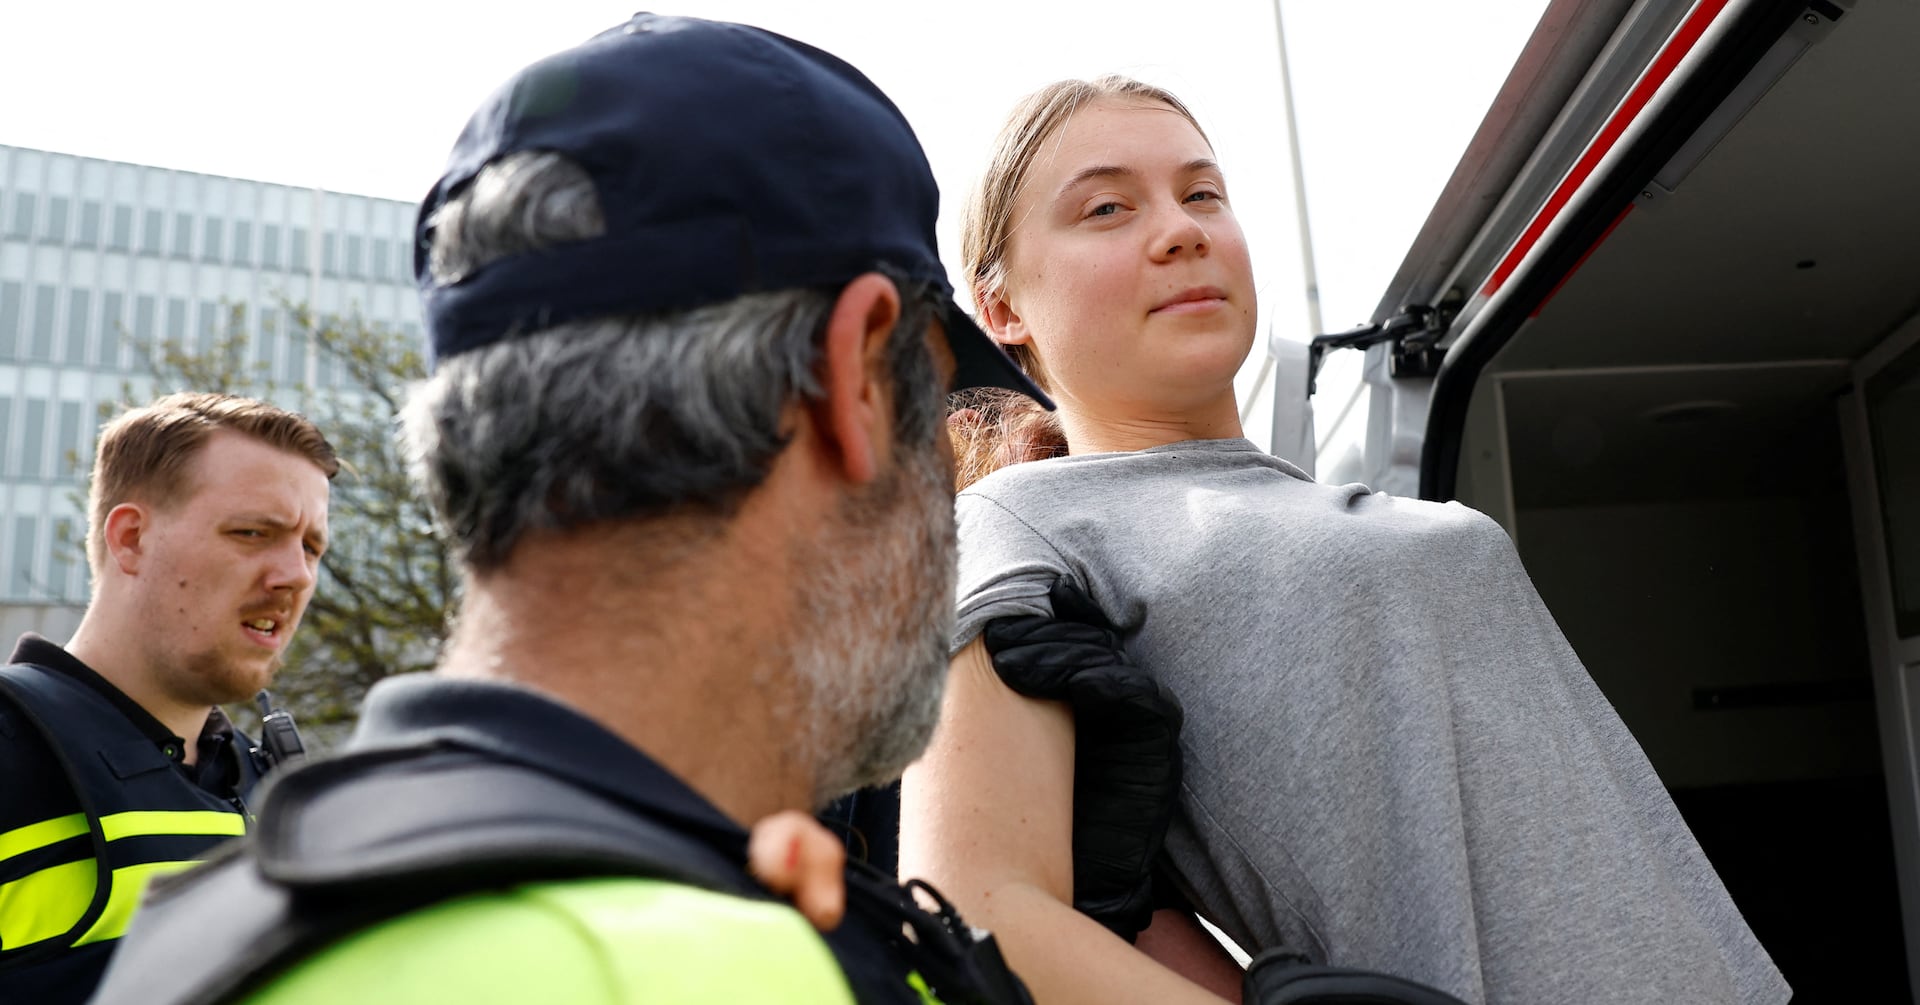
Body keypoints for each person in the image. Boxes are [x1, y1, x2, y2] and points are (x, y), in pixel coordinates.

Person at [90, 14, 1045, 1005]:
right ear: (851, 378)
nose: (947, 464)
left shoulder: (210, 920)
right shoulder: (716, 975)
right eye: (934, 403)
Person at [898, 76, 1792, 1005]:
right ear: (1001, 310)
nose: (1181, 229)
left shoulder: (1304, 505)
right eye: (1108, 207)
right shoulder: (1021, 522)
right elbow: (979, 908)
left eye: (1202, 194)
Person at [0, 392, 336, 1005]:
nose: (296, 575)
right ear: (130, 539)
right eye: (253, 532)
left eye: (312, 547)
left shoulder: (277, 788)